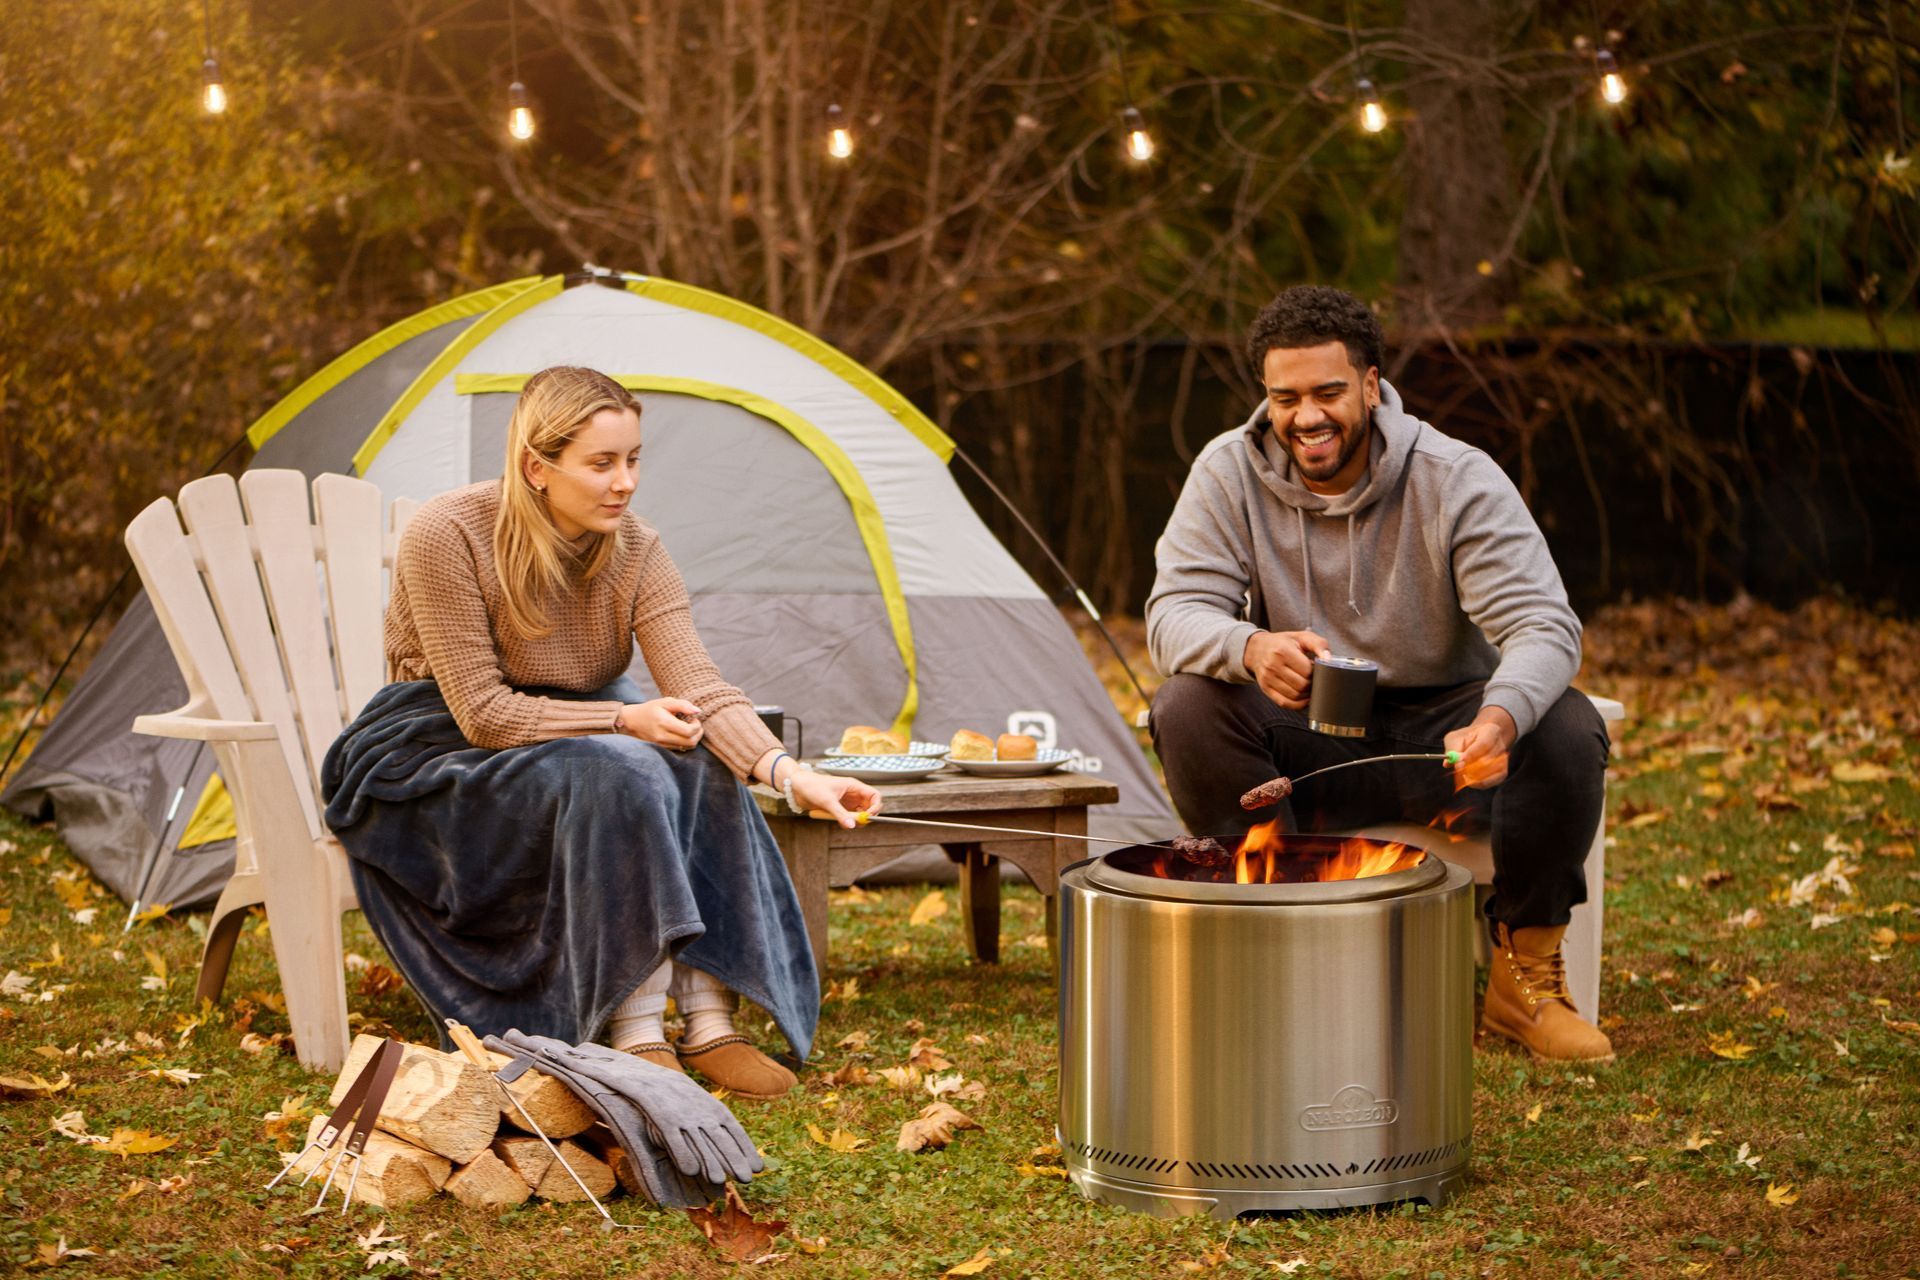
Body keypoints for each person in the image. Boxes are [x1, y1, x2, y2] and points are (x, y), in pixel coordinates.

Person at [321, 366, 880, 1098]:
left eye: (634, 459)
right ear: (537, 467)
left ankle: (709, 1022)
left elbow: (700, 686)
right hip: (435, 758)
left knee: (696, 759)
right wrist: (620, 718)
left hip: (573, 739)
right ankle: (637, 1028)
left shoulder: (638, 550)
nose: (625, 483)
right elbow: (483, 713)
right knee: (626, 766)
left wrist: (791, 774)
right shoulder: (447, 532)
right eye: (601, 463)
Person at [1145, 285, 1614, 1064]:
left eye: (1328, 392)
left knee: (1564, 722)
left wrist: (1498, 720)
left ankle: (1522, 980)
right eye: (1284, 397)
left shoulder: (1454, 477)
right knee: (1189, 706)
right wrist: (1251, 649)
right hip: (1312, 741)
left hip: (1447, 747)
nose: (1306, 417)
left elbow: (1543, 624)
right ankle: (1277, 957)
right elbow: (1173, 614)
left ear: (1370, 385)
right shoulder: (1226, 473)